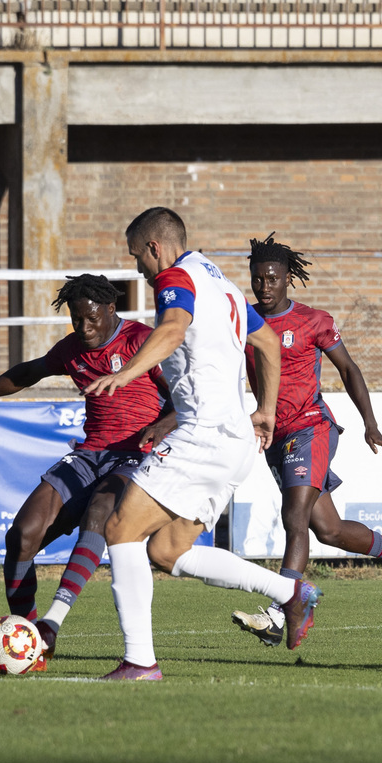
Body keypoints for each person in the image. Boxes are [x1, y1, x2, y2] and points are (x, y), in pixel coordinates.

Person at [84, 207, 321, 682]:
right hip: (233, 440)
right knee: (169, 551)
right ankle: (290, 592)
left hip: (202, 434)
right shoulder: (222, 282)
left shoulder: (174, 277)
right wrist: (266, 411)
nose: (137, 268)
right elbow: (269, 344)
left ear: (154, 247)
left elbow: (173, 328)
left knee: (120, 529)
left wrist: (126, 372)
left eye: (136, 257)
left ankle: (140, 661)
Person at [0, 274, 170, 671]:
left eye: (92, 318)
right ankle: (27, 640)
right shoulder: (72, 349)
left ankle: (51, 625)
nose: (85, 328)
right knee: (22, 535)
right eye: (77, 320)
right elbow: (27, 373)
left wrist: (164, 424)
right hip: (90, 454)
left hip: (134, 457)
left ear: (111, 308)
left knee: (99, 514)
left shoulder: (141, 342)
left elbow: (186, 397)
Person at [230, 234, 382, 648]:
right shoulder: (244, 324)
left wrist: (370, 424)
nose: (263, 287)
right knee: (330, 530)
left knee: (295, 514)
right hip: (276, 435)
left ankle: (277, 611)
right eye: (257, 279)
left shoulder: (314, 320)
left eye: (271, 278)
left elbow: (349, 369)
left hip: (312, 427)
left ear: (288, 279)